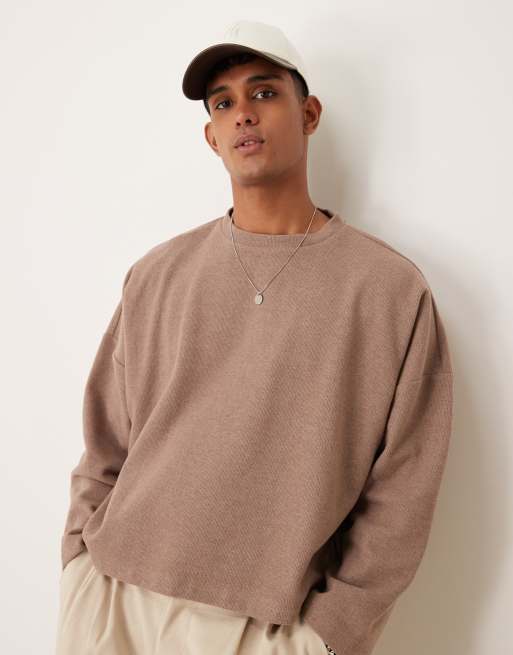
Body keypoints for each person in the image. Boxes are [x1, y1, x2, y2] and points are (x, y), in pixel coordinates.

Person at [55, 19, 454, 655]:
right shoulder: (157, 274)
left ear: (309, 113)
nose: (243, 113)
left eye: (264, 93)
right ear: (211, 136)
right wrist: (79, 563)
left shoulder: (389, 290)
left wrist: (331, 634)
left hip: (266, 627)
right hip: (114, 601)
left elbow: (404, 488)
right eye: (224, 102)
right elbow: (105, 442)